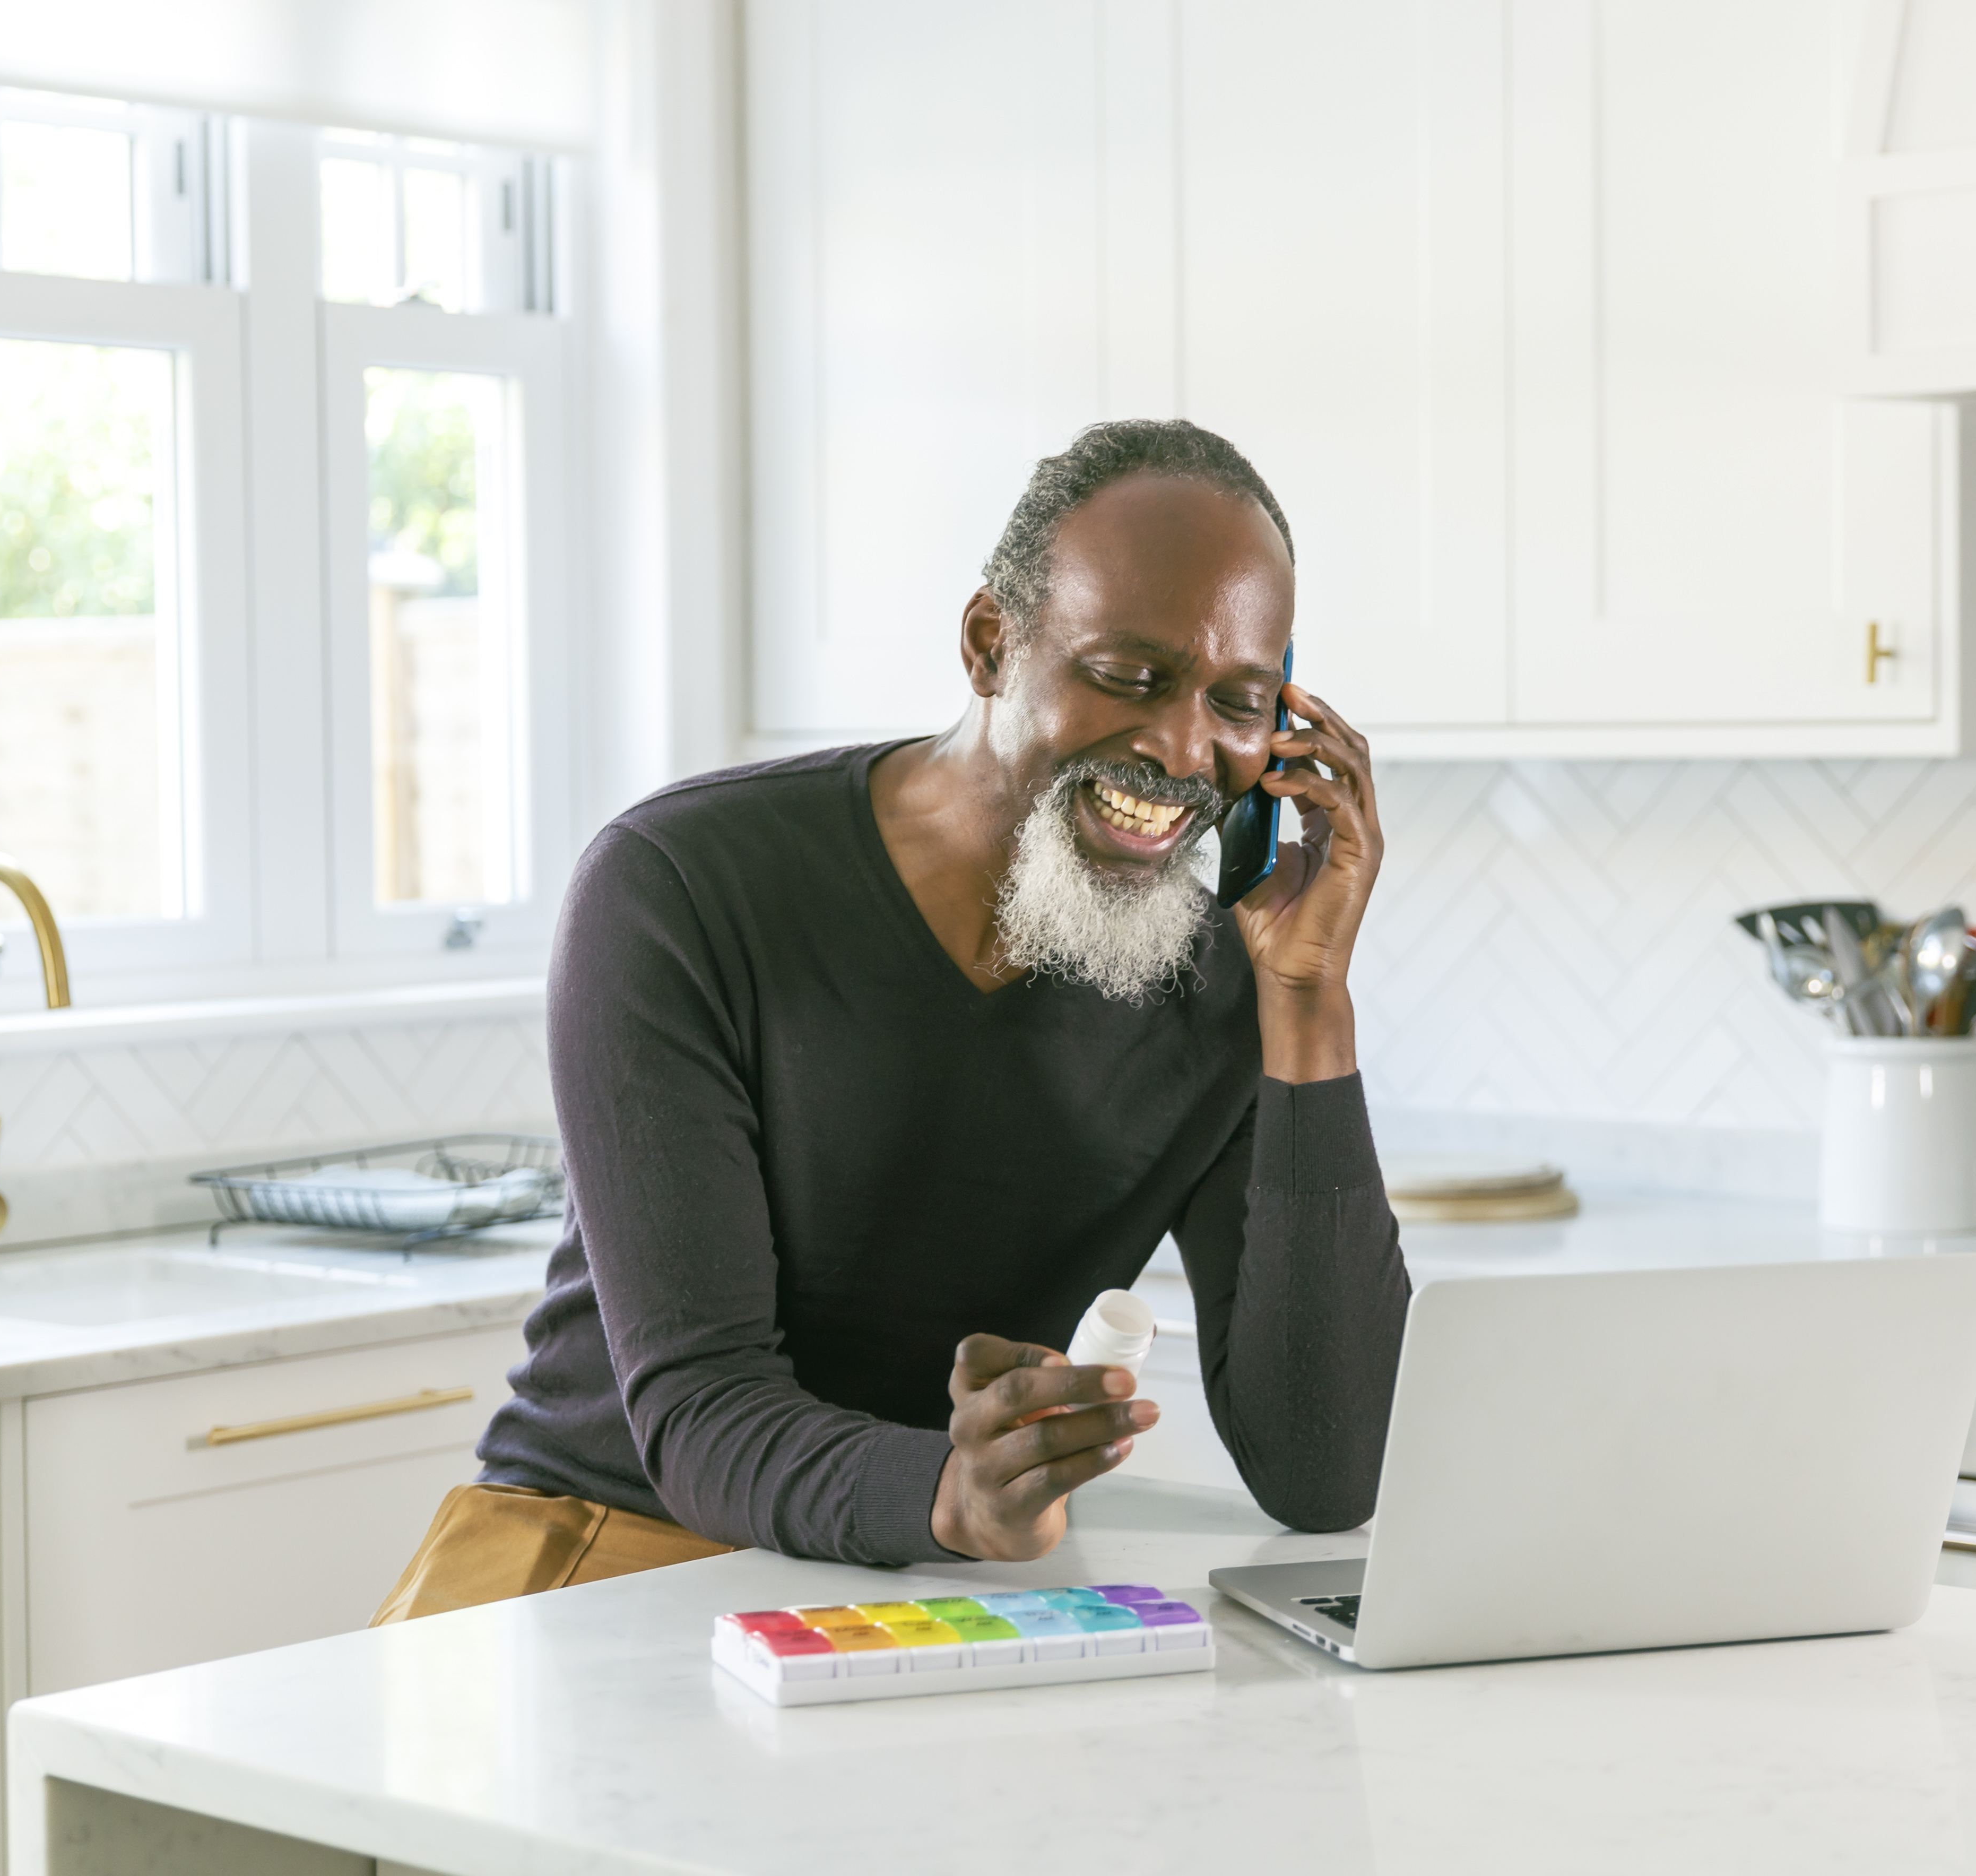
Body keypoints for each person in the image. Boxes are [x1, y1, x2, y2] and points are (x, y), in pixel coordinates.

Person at [374, 419, 1410, 1621]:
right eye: (1128, 677)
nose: (1185, 747)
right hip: (598, 1547)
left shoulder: (1222, 985)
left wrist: (1305, 1000)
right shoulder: (679, 886)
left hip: (913, 1580)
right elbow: (698, 1408)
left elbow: (1325, 1470)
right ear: (989, 644)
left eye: (1237, 701)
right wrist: (948, 1495)